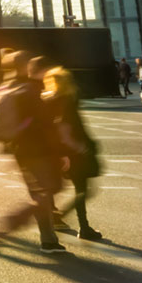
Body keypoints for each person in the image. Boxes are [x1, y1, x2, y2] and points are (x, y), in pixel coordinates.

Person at [0, 51, 64, 252]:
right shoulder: (32, 90)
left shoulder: (9, 88)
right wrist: (60, 152)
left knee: (40, 193)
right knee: (49, 190)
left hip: (20, 150)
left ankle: (49, 240)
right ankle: (16, 219)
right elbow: (46, 125)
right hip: (39, 150)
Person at [45, 66, 104, 242]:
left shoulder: (50, 99)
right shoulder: (66, 100)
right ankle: (82, 226)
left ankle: (60, 217)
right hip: (74, 152)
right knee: (83, 190)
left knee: (63, 187)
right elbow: (64, 127)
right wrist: (79, 147)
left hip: (58, 151)